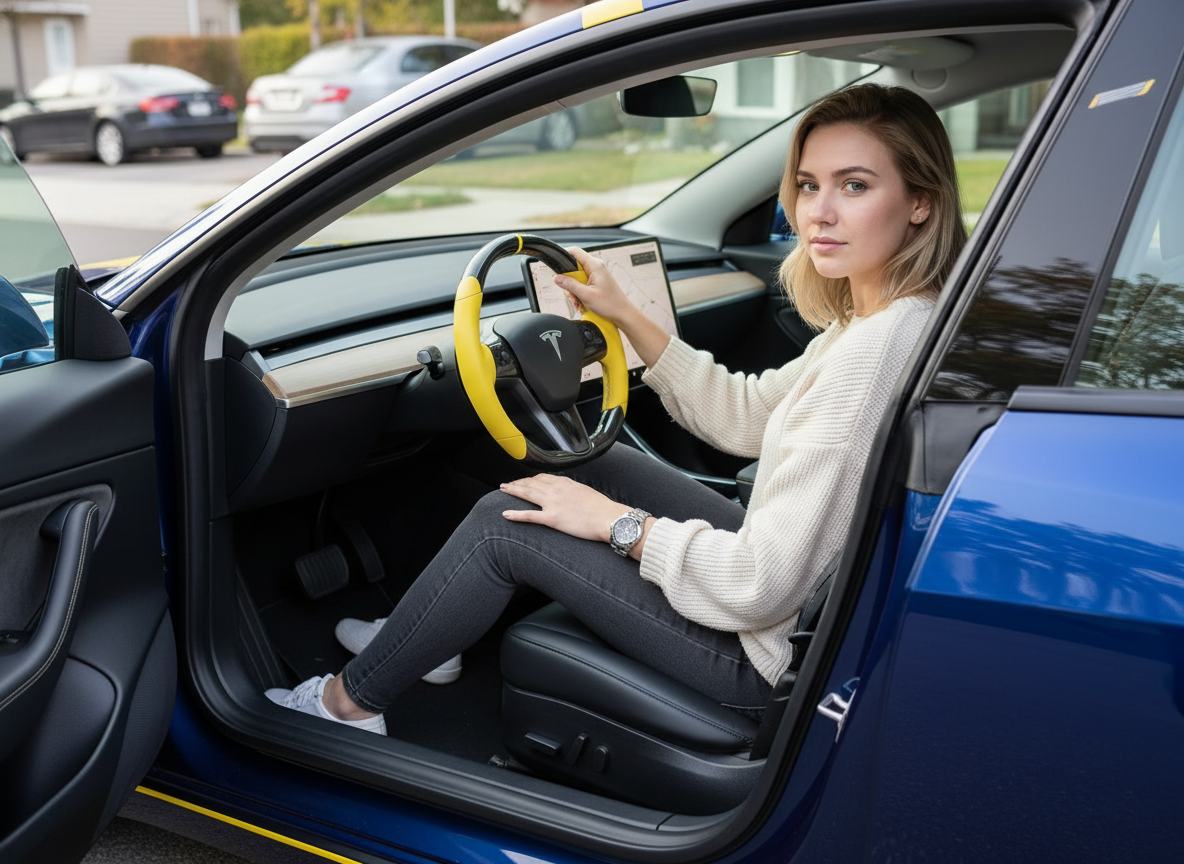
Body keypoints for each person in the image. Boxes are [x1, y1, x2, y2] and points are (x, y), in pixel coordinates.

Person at [265, 83, 967, 735]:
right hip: (806, 600)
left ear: (920, 202)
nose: (818, 211)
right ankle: (420, 639)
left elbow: (757, 586)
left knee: (503, 529)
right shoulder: (886, 322)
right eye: (809, 185)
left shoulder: (871, 356)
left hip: (765, 652)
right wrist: (627, 315)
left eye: (856, 186)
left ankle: (345, 704)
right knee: (599, 462)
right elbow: (746, 417)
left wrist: (616, 526)